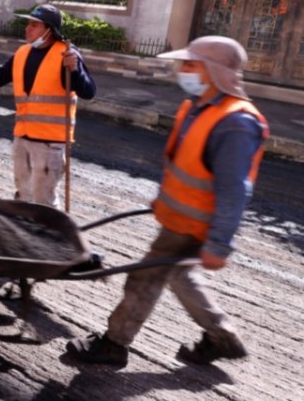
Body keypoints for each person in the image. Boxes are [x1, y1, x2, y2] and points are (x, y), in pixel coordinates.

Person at [65, 36, 268, 367]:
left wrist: (219, 244)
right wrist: (164, 200)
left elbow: (234, 191)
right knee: (178, 276)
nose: (182, 70)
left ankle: (114, 344)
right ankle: (223, 337)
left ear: (215, 71)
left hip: (196, 223)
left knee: (146, 278)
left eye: (191, 64)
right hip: (179, 217)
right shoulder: (195, 107)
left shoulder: (236, 123)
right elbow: (184, 165)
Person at [0, 4, 97, 207]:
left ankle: (51, 236)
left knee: (43, 203)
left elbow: (89, 92)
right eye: (28, 24)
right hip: (22, 138)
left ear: (49, 30)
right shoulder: (23, 53)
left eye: (34, 25)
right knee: (23, 197)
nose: (28, 29)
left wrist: (76, 71)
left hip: (49, 143)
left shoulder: (67, 55)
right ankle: (24, 235)